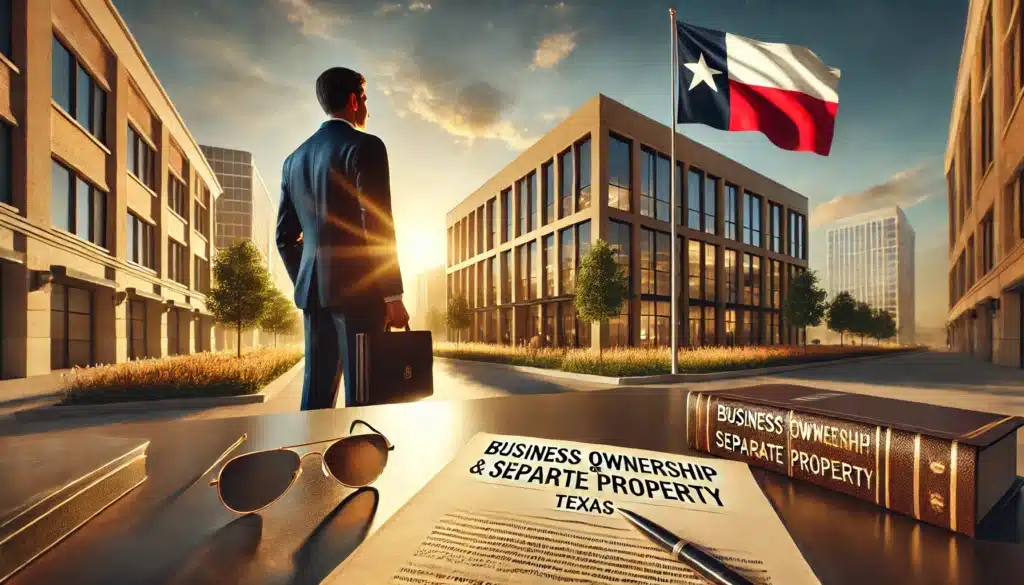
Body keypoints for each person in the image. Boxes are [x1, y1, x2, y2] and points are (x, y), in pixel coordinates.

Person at [276, 67, 409, 410]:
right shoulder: (366, 146)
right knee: (364, 394)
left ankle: (309, 446)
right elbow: (376, 224)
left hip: (312, 294)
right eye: (365, 99)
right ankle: (359, 448)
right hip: (360, 293)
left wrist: (309, 278)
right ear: (353, 101)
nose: (367, 108)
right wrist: (392, 295)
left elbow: (284, 238)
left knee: (315, 396)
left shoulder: (292, 161)